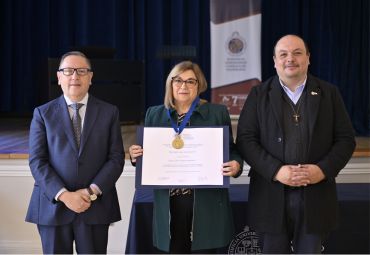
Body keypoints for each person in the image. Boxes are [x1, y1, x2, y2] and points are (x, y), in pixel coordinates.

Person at [236, 34, 356, 253]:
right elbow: (245, 140)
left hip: (316, 197)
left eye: (297, 53)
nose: (290, 59)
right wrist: (276, 171)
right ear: (274, 61)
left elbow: (346, 140)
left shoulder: (329, 93)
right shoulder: (258, 94)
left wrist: (322, 170)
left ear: (308, 58)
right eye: (283, 54)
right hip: (269, 197)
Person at [129, 61, 243, 253]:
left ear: (199, 85)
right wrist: (135, 155)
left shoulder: (216, 113)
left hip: (205, 201)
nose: (184, 86)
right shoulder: (154, 114)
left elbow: (232, 150)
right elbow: (147, 155)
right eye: (178, 80)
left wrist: (236, 164)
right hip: (169, 202)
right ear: (170, 84)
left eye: (191, 81)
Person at [25, 51, 125, 254]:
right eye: (68, 71)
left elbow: (115, 159)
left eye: (81, 71)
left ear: (90, 77)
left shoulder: (109, 112)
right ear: (59, 77)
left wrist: (90, 193)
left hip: (94, 207)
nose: (74, 76)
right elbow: (37, 161)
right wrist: (64, 196)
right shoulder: (42, 114)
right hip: (52, 206)